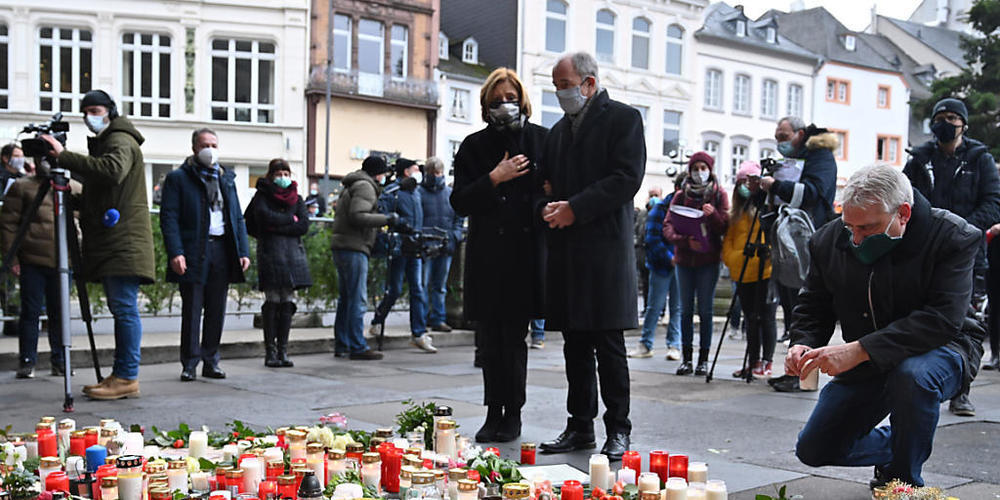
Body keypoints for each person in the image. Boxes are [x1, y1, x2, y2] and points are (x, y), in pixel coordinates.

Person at [788, 164, 982, 489]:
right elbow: (813, 304)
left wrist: (860, 350)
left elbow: (942, 318)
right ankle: (903, 442)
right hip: (869, 356)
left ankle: (902, 484)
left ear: (902, 214)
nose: (855, 239)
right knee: (815, 447)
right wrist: (803, 342)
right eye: (849, 226)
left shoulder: (951, 235)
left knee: (912, 376)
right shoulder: (829, 240)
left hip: (942, 347)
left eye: (867, 228)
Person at [537, 52, 644, 460]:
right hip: (568, 253)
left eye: (566, 85)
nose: (561, 93)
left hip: (604, 252)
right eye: (556, 86)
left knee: (608, 346)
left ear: (589, 83)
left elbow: (626, 178)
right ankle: (579, 425)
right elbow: (545, 185)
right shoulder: (557, 132)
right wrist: (547, 207)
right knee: (575, 347)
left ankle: (618, 429)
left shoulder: (623, 119)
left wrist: (575, 208)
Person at [451, 67, 548, 443]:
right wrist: (495, 177)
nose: (505, 105)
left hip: (524, 254)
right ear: (486, 106)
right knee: (490, 341)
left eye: (511, 99)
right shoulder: (473, 145)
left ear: (522, 100)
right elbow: (459, 200)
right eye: (497, 101)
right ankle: (493, 410)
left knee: (514, 339)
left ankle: (514, 413)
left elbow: (551, 190)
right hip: (488, 255)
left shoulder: (541, 139)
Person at [40, 89, 155, 400]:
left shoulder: (120, 139)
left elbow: (112, 171)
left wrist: (63, 156)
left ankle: (127, 377)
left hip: (123, 241)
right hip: (117, 240)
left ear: (110, 111)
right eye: (86, 111)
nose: (90, 116)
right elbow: (104, 193)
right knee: (121, 309)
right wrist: (74, 197)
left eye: (96, 110)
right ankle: (121, 374)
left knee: (124, 309)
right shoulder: (111, 141)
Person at [902, 97, 1000, 417]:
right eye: (940, 117)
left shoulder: (980, 159)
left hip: (967, 252)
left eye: (952, 118)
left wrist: (960, 229)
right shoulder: (919, 159)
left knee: (964, 323)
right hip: (924, 250)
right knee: (920, 316)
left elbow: (993, 203)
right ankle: (917, 383)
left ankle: (961, 391)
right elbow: (903, 197)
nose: (945, 123)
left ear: (963, 124)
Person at [160, 128, 250, 382]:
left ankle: (211, 360)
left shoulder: (225, 178)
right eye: (204, 145)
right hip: (193, 250)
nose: (210, 150)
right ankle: (189, 363)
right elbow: (169, 218)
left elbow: (237, 217)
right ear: (194, 149)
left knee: (216, 309)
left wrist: (242, 250)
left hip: (222, 248)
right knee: (192, 308)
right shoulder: (179, 178)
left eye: (214, 145)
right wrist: (176, 252)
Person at [761, 117, 838, 343]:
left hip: (808, 235)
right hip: (787, 236)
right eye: (777, 138)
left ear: (800, 134)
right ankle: (793, 346)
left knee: (805, 299)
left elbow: (812, 193)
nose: (780, 143)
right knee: (788, 297)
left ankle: (803, 353)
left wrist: (776, 186)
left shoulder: (820, 157)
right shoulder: (793, 159)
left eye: (784, 137)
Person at [0, 157, 77, 378]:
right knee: (30, 312)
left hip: (64, 261)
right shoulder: (22, 186)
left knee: (59, 313)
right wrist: (13, 258)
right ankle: (27, 360)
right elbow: (8, 224)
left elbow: (82, 219)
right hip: (31, 260)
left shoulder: (72, 187)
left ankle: (60, 360)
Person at [663, 152, 729, 376]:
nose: (699, 172)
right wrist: (683, 240)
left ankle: (703, 360)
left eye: (703, 168)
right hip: (684, 259)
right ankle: (687, 359)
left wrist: (713, 215)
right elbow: (668, 225)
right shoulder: (681, 195)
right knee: (685, 311)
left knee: (706, 310)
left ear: (710, 169)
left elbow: (724, 226)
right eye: (695, 168)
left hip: (708, 261)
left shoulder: (718, 194)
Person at [245, 158, 312, 368]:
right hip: (271, 253)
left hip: (292, 255)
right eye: (278, 174)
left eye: (286, 174)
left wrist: (275, 226)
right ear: (271, 176)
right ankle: (270, 351)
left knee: (287, 302)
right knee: (272, 300)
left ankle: (283, 349)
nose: (283, 177)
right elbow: (258, 219)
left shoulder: (297, 198)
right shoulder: (262, 196)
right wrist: (289, 220)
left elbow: (303, 225)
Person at [330, 155, 396, 360]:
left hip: (343, 245)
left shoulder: (354, 184)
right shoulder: (365, 187)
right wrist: (387, 219)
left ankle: (343, 343)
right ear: (378, 173)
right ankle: (357, 345)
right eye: (384, 173)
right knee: (357, 299)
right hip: (354, 246)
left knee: (346, 299)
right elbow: (358, 215)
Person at [370, 158, 435, 353]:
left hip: (414, 246)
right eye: (415, 169)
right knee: (394, 289)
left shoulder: (416, 192)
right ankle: (378, 320)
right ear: (406, 171)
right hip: (399, 247)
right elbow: (383, 212)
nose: (419, 172)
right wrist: (399, 224)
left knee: (417, 289)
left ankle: (418, 333)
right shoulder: (394, 191)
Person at [722, 161, 776, 378]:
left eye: (750, 182)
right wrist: (733, 259)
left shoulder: (765, 209)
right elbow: (729, 240)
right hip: (743, 271)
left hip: (764, 270)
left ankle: (767, 361)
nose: (746, 187)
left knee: (767, 317)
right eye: (742, 182)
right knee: (750, 318)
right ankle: (753, 361)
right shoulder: (736, 213)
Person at [629, 180, 682, 360]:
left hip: (680, 263)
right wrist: (670, 257)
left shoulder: (685, 208)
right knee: (654, 306)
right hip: (662, 265)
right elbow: (652, 238)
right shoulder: (660, 209)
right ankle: (646, 343)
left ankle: (674, 345)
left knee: (677, 307)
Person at [418, 156, 464, 333]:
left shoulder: (449, 193)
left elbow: (459, 218)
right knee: (423, 285)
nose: (436, 176)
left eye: (438, 173)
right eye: (433, 173)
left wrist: (454, 235)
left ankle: (438, 318)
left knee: (439, 286)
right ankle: (423, 320)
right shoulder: (419, 193)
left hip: (445, 245)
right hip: (425, 246)